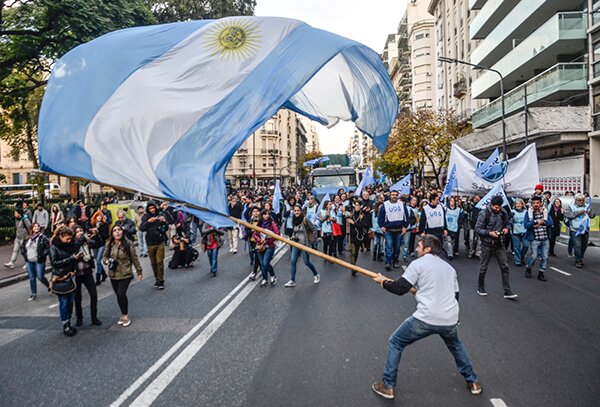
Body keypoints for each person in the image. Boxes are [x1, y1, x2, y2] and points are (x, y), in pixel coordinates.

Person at [371, 235, 481, 400]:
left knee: (396, 342)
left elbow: (400, 288)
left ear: (427, 249)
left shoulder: (418, 264)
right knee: (456, 345)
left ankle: (388, 386)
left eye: (419, 246)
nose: (416, 249)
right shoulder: (449, 269)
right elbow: (455, 295)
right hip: (449, 318)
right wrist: (454, 318)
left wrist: (382, 282)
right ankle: (473, 382)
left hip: (426, 317)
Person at [475, 196, 517, 299]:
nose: (497, 209)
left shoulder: (503, 212)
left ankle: (507, 291)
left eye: (499, 207)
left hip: (499, 243)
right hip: (487, 243)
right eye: (496, 207)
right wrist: (489, 233)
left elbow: (508, 223)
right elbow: (478, 228)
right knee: (483, 267)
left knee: (505, 267)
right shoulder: (484, 213)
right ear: (492, 205)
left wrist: (506, 229)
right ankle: (480, 287)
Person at [103, 225, 143, 327]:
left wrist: (139, 271)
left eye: (119, 230)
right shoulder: (110, 244)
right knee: (118, 295)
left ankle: (125, 315)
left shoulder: (128, 243)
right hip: (113, 273)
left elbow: (135, 258)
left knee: (121, 294)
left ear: (122, 231)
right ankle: (122, 313)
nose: (117, 232)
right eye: (115, 230)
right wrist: (107, 261)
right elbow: (105, 257)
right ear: (112, 233)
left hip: (125, 273)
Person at [49, 226, 84, 337]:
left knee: (70, 301)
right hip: (60, 277)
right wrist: (72, 259)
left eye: (70, 239)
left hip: (70, 275)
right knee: (63, 301)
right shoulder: (54, 247)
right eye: (67, 239)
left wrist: (77, 258)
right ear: (61, 237)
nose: (69, 241)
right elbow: (54, 262)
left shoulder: (70, 245)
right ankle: (65, 324)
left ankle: (68, 320)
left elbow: (73, 256)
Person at [72, 226, 102, 327]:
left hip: (87, 272)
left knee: (94, 295)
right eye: (77, 232)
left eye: (81, 231)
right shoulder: (72, 243)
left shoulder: (87, 243)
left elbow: (98, 244)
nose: (80, 233)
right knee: (77, 297)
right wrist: (82, 238)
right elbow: (75, 246)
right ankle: (79, 319)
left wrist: (96, 235)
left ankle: (94, 318)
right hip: (77, 273)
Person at [284, 205, 320, 287]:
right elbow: (295, 231)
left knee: (306, 262)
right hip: (296, 243)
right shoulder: (294, 220)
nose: (296, 212)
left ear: (301, 211)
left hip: (305, 244)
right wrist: (293, 237)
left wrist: (312, 241)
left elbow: (314, 229)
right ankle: (292, 280)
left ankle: (316, 274)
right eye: (295, 211)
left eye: (298, 211)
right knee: (293, 261)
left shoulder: (305, 220)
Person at [523, 196, 553, 281]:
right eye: (534, 203)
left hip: (545, 238)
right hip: (535, 238)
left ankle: (541, 273)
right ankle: (528, 268)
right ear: (532, 204)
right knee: (534, 256)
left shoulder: (545, 212)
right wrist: (535, 221)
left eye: (537, 203)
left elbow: (550, 223)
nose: (536, 205)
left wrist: (542, 222)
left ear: (540, 203)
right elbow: (526, 225)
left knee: (545, 257)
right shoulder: (528, 213)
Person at [377, 190, 409, 270]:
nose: (394, 196)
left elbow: (406, 216)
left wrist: (405, 226)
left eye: (396, 195)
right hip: (388, 230)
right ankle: (388, 262)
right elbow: (380, 216)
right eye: (393, 195)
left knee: (397, 247)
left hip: (399, 230)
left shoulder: (401, 205)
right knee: (389, 246)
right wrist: (381, 226)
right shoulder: (385, 205)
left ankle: (395, 261)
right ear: (390, 196)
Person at [140, 200, 168, 289]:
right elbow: (142, 228)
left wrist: (164, 222)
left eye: (153, 208)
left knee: (160, 261)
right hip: (150, 243)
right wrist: (149, 221)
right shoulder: (145, 217)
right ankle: (156, 278)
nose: (152, 210)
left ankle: (161, 280)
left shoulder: (160, 214)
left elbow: (166, 228)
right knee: (153, 262)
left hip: (160, 241)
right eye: (150, 208)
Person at [565, 194, 596, 268]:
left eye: (582, 200)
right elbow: (569, 215)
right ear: (575, 200)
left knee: (584, 245)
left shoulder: (587, 206)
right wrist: (579, 212)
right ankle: (578, 261)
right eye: (579, 200)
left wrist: (590, 213)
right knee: (577, 246)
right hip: (575, 229)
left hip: (585, 229)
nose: (581, 202)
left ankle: (580, 256)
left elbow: (592, 216)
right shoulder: (571, 206)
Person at [22, 223, 50, 301]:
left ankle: (49, 285)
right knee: (31, 278)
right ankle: (33, 294)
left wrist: (42, 256)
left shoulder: (43, 237)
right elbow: (23, 248)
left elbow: (48, 248)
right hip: (29, 261)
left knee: (40, 276)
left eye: (38, 226)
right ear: (32, 228)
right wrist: (25, 256)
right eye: (35, 226)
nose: (36, 227)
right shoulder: (28, 238)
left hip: (39, 261)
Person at [253, 210, 279, 287]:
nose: (267, 215)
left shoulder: (272, 224)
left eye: (268, 214)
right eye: (265, 214)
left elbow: (277, 234)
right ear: (262, 215)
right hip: (260, 246)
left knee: (265, 263)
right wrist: (260, 240)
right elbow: (255, 235)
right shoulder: (259, 224)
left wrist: (267, 241)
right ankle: (264, 279)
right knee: (262, 264)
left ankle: (272, 275)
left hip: (270, 246)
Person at [346, 200, 369, 271]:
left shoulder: (363, 214)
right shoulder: (350, 214)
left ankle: (354, 264)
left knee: (356, 252)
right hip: (351, 235)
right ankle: (353, 268)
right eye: (356, 205)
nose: (357, 207)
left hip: (359, 236)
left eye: (359, 205)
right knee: (352, 252)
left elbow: (364, 225)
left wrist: (353, 223)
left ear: (361, 206)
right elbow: (345, 221)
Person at [510, 199, 528, 267]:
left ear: (522, 204)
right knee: (517, 247)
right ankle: (518, 261)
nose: (518, 205)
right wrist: (510, 217)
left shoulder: (526, 212)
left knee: (526, 245)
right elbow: (509, 221)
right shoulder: (512, 212)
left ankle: (521, 257)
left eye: (520, 203)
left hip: (524, 231)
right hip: (515, 231)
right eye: (517, 203)